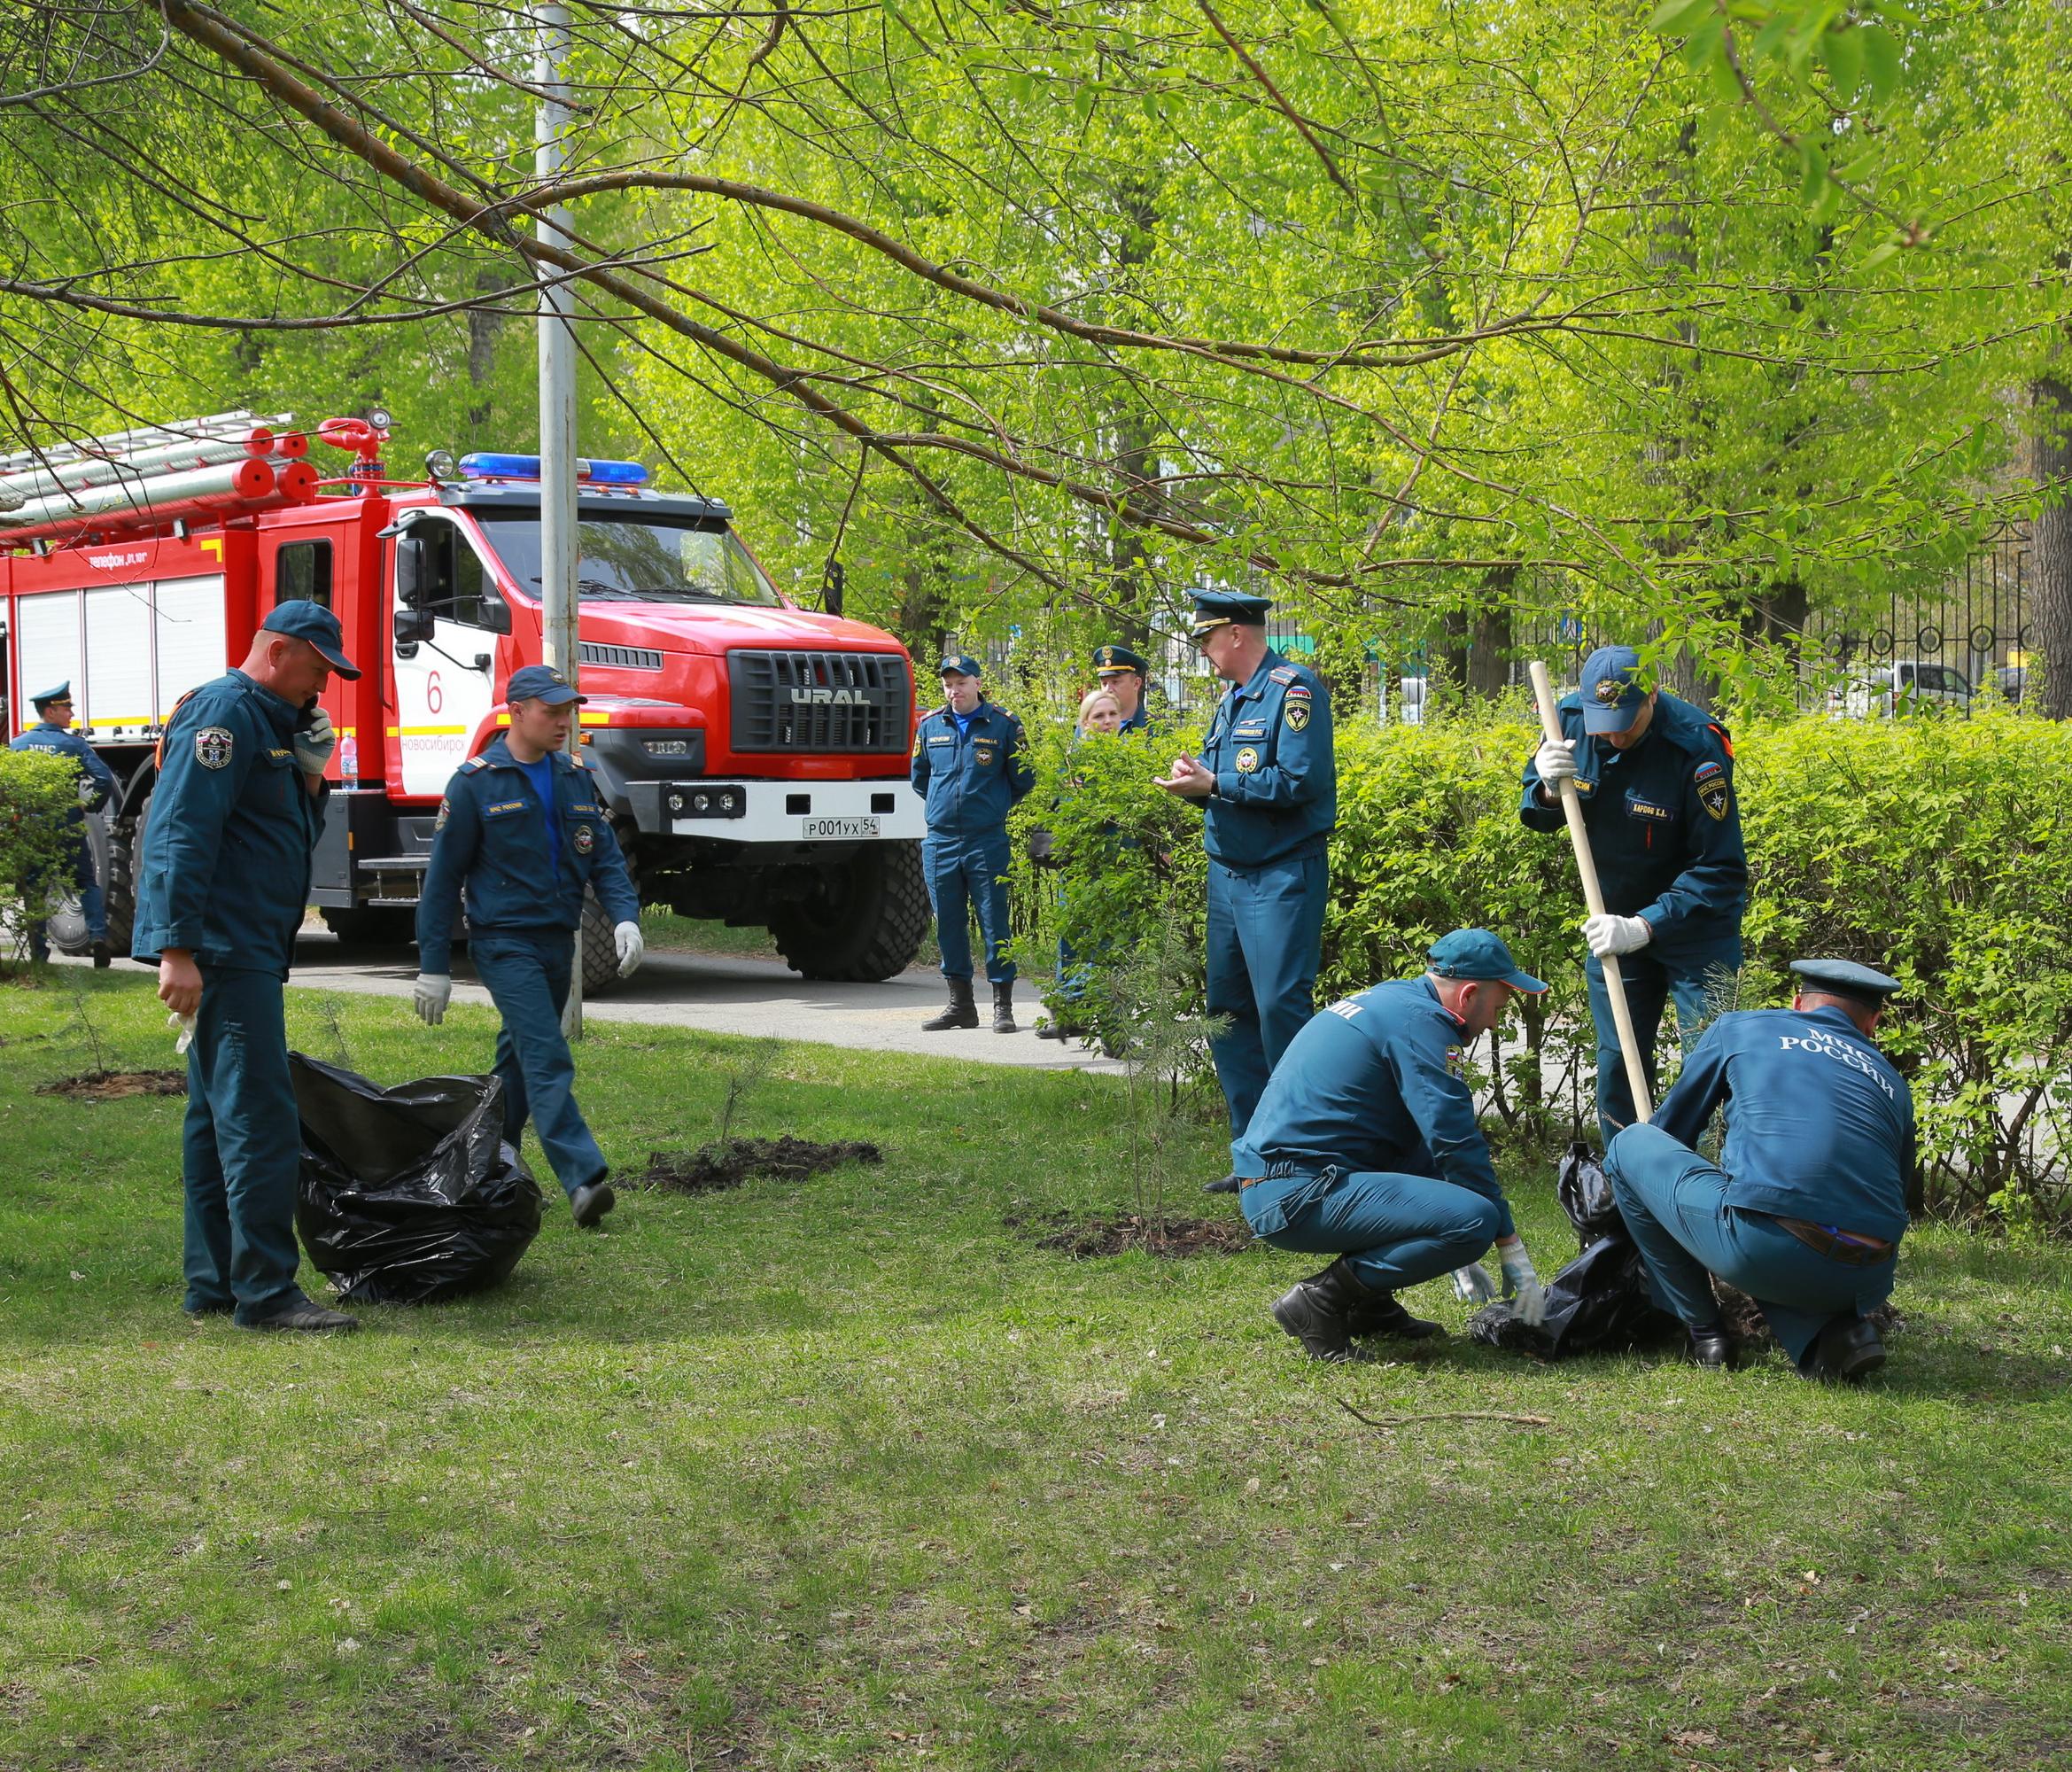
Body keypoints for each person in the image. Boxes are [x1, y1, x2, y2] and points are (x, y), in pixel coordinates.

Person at [134, 601, 358, 1332]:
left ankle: (217, 1282)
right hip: (225, 946)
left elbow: (277, 833)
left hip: (246, 943)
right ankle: (266, 1292)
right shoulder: (224, 717)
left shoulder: (271, 723)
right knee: (260, 1117)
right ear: (280, 651)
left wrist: (312, 778)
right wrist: (176, 948)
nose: (322, 685)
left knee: (212, 1120)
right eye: (317, 667)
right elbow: (180, 834)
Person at [1234, 930, 1552, 1362]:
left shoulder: (1392, 1003)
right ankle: (1320, 1301)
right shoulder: (1422, 1024)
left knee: (1444, 1189)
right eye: (1498, 1006)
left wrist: (1448, 1214)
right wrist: (1506, 1241)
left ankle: (1368, 1304)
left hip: (1286, 1180)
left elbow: (1418, 1143)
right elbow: (1454, 1138)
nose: (1496, 1021)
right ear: (1470, 993)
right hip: (1295, 1192)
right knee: (1476, 1219)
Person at [1603, 959, 1913, 1382]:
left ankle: (1706, 1333)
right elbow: (1897, 1189)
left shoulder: (1740, 1028)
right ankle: (1837, 1333)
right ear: (1873, 1022)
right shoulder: (1892, 1081)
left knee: (1629, 1147)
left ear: (1796, 1002)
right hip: (1868, 1276)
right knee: (1796, 1219)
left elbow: (1670, 1133)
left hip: (1768, 1250)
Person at [413, 665, 645, 1229]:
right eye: (552, 711)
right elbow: (442, 880)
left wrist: (624, 919)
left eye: (569, 710)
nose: (565, 721)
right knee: (546, 1052)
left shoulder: (572, 777)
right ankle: (582, 1177)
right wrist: (433, 967)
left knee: (516, 1063)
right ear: (516, 712)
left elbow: (604, 857)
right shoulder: (475, 783)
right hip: (503, 943)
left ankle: (490, 1162)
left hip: (554, 942)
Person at [1522, 644, 1746, 1144]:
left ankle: (1712, 1190)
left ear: (1654, 696)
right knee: (1619, 1066)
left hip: (1696, 929)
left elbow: (1721, 868)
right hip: (1612, 919)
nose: (1616, 734)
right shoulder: (1569, 723)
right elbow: (1538, 815)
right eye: (1606, 722)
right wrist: (1544, 787)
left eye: (1627, 719)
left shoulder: (1697, 745)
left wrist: (1645, 927)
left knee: (1713, 1063)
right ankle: (1627, 1195)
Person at [1154, 591, 1335, 1177]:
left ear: (1234, 634)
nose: (1203, 652)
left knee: (1280, 1010)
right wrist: (1198, 784)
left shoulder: (1294, 691)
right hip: (1229, 877)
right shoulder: (1232, 699)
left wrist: (1216, 784)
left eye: (1206, 640)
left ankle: (1298, 1154)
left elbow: (1298, 782)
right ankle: (1253, 1155)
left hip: (1279, 875)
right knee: (1227, 1012)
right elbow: (1227, 784)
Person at [910, 654, 1037, 1033]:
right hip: (941, 841)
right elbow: (920, 779)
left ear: (978, 683)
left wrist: (992, 807)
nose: (954, 690)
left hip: (987, 841)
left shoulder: (1003, 725)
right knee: (948, 924)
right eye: (948, 684)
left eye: (961, 683)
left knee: (995, 923)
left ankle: (1003, 1006)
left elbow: (1023, 779)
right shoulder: (930, 726)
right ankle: (960, 1005)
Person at [1036, 688, 1125, 1041]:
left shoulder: (1130, 758)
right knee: (1071, 940)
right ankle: (1071, 1012)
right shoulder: (1073, 760)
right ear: (1084, 723)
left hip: (1118, 868)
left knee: (1110, 946)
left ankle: (1112, 1023)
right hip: (1078, 865)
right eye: (1098, 717)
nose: (1106, 722)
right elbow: (1066, 811)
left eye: (1112, 715)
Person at [9, 680, 119, 966]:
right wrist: (88, 806)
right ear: (50, 711)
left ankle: (39, 954)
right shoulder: (73, 745)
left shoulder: (18, 745)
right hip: (68, 826)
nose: (71, 714)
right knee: (85, 882)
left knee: (35, 888)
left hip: (34, 829)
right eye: (66, 708)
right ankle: (96, 937)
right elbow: (104, 779)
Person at [1091, 643, 1154, 734]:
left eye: (1115, 682)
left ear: (1136, 684)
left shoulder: (1156, 729)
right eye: (1104, 683)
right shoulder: (1089, 729)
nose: (1108, 689)